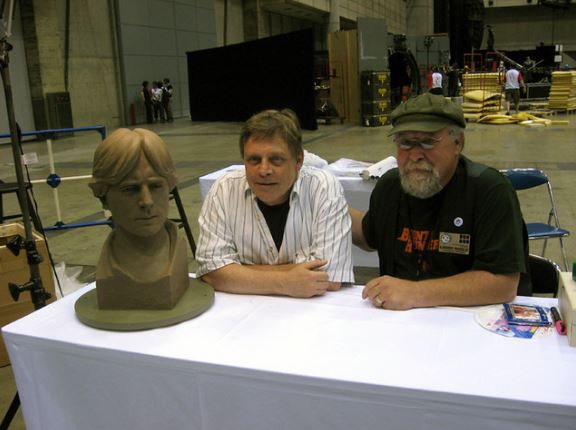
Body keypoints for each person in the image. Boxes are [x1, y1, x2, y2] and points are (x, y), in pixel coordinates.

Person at [349, 93, 529, 310]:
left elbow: (503, 284)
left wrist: (414, 293)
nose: (415, 155)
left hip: (470, 321)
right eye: (405, 143)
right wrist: (326, 203)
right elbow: (368, 236)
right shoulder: (390, 187)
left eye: (427, 142)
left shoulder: (488, 190)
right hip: (398, 323)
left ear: (458, 143)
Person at [196, 108, 354, 297]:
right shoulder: (224, 189)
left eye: (276, 159)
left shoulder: (323, 188)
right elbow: (211, 273)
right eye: (254, 160)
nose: (264, 170)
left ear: (298, 161)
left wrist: (237, 271)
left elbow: (330, 278)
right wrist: (284, 282)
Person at [89, 128, 188, 309]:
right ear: (104, 197)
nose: (147, 202)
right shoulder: (107, 270)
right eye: (130, 189)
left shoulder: (178, 253)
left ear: (170, 186)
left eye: (155, 186)